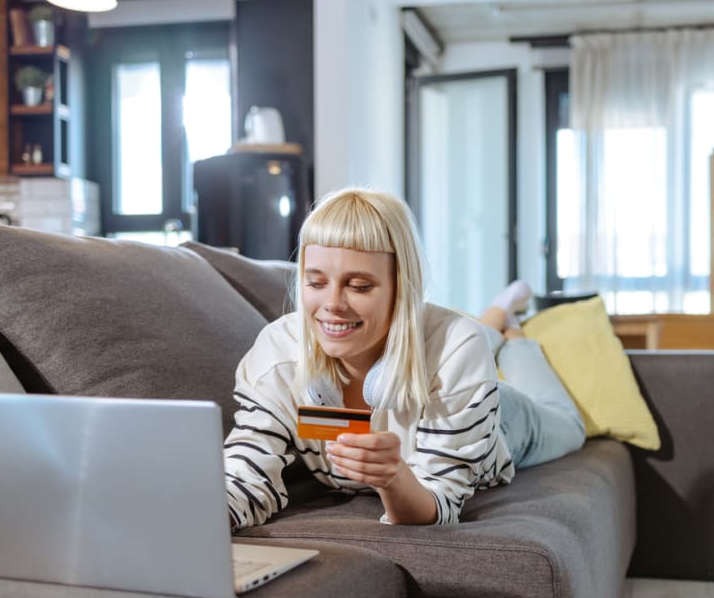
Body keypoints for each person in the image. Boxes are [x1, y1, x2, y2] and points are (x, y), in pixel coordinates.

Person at [224, 187, 585, 528]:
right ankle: (499, 313)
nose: (332, 304)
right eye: (316, 283)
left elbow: (441, 502)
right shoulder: (278, 353)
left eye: (359, 286)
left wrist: (395, 477)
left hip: (499, 420)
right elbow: (245, 476)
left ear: (402, 288)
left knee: (571, 425)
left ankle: (515, 331)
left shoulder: (458, 347)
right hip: (443, 362)